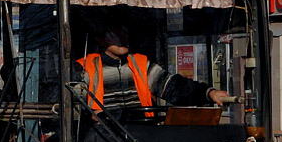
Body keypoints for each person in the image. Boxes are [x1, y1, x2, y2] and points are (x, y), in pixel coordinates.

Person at [76, 28, 230, 113]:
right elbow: (73, 108)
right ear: (100, 38)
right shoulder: (85, 68)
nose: (120, 37)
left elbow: (173, 88)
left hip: (142, 139)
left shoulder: (141, 65)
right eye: (113, 32)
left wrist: (208, 93)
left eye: (123, 31)